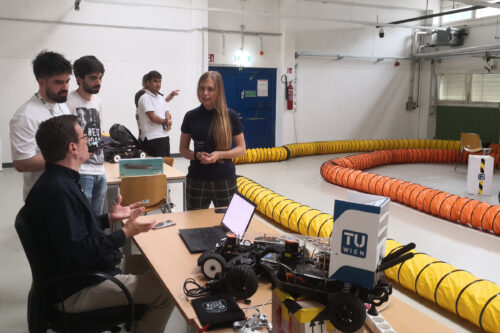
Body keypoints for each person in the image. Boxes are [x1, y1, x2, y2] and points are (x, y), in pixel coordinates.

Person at [24, 115, 173, 333]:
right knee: (165, 290)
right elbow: (80, 252)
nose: (89, 141)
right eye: (84, 137)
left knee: (154, 265)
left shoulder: (59, 181)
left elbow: (72, 228)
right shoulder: (59, 192)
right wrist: (124, 233)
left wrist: (108, 218)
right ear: (73, 148)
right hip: (77, 289)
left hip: (80, 273)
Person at [10, 50, 72, 200]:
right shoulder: (25, 116)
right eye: (58, 82)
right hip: (42, 197)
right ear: (41, 81)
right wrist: (67, 158)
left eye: (67, 81)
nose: (65, 87)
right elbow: (22, 163)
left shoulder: (62, 106)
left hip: (66, 189)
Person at [179, 71, 246, 210]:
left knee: (231, 227)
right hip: (197, 179)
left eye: (210, 89)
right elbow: (183, 149)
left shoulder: (230, 116)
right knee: (194, 225)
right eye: (202, 88)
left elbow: (241, 149)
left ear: (218, 91)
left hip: (224, 179)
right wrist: (196, 156)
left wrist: (219, 155)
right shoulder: (191, 116)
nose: (205, 93)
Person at [66, 55, 107, 216]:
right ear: (79, 78)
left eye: (100, 77)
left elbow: (99, 130)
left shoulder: (98, 101)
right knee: (82, 218)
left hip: (99, 170)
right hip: (81, 171)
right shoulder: (67, 103)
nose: (98, 82)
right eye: (93, 78)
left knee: (97, 220)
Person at [137, 70, 178, 157]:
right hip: (152, 138)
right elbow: (153, 117)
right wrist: (166, 122)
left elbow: (167, 112)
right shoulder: (144, 98)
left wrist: (168, 120)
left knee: (166, 166)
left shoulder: (161, 98)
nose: (158, 84)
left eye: (160, 81)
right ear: (147, 82)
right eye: (155, 81)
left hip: (164, 136)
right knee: (155, 168)